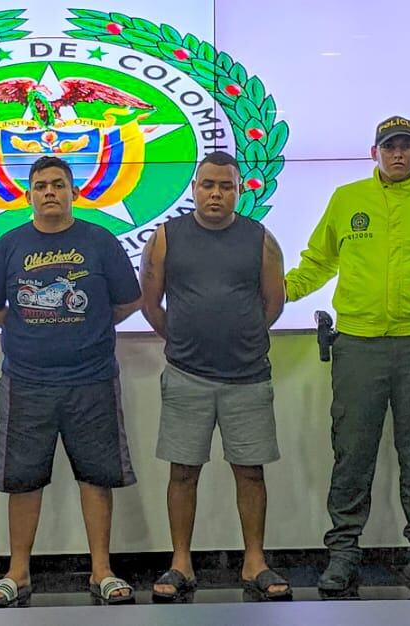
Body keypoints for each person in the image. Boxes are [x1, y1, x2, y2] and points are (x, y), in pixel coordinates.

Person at [284, 116, 410, 599]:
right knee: (352, 451)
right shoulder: (347, 200)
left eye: (406, 146)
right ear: (375, 153)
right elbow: (318, 262)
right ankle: (344, 554)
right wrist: (276, 294)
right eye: (389, 147)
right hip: (358, 345)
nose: (398, 154)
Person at [0, 156, 143, 608]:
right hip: (26, 382)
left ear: (74, 192)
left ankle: (102, 571)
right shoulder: (8, 245)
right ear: (28, 194)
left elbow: (127, 301)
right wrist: (33, 326)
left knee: (96, 476)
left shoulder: (101, 242)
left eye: (58, 184)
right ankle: (18, 572)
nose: (50, 191)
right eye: (41, 185)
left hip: (92, 380)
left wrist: (84, 325)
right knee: (23, 480)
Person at [140, 152, 290, 603]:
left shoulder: (260, 239)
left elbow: (273, 303)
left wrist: (239, 337)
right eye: (208, 185)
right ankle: (181, 562)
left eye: (226, 186)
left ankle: (254, 561)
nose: (216, 194)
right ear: (194, 188)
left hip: (247, 377)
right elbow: (151, 303)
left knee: (250, 472)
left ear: (239, 191)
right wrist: (184, 341)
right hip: (187, 376)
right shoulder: (166, 238)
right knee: (183, 472)